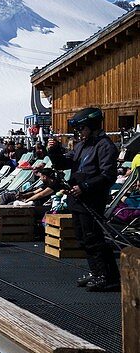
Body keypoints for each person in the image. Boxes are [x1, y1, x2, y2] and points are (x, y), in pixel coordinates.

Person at [47, 107, 121, 292]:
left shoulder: (105, 146)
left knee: (93, 237)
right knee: (82, 238)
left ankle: (109, 276)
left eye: (82, 128)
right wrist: (54, 151)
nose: (79, 133)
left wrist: (85, 186)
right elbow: (65, 163)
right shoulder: (81, 145)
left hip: (92, 197)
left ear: (92, 126)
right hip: (76, 197)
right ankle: (97, 272)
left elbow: (108, 175)